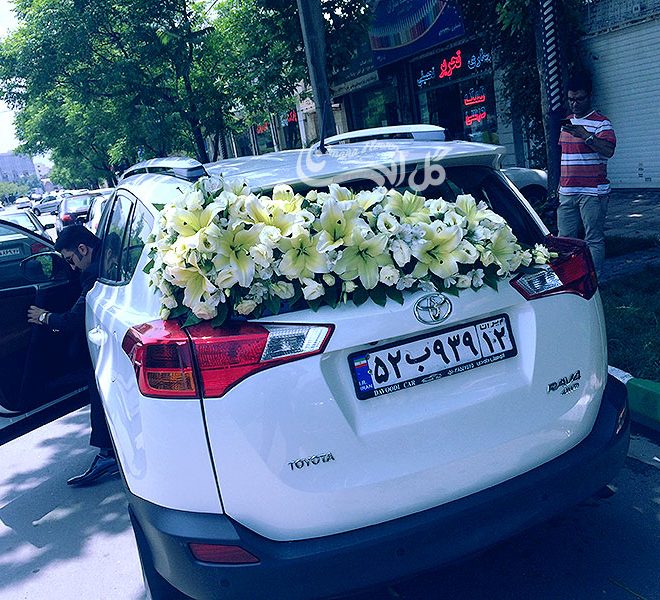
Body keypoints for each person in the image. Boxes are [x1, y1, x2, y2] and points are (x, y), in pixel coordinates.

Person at [27, 225, 119, 487]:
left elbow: (74, 319)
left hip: (111, 340)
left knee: (96, 381)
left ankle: (107, 453)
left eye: (71, 260)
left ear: (82, 249)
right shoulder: (110, 251)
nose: (73, 267)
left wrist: (44, 317)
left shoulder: (92, 274)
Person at [557, 72, 616, 278]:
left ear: (589, 96)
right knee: (564, 239)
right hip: (567, 190)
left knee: (593, 239)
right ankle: (568, 279)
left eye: (579, 99)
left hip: (592, 192)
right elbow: (564, 154)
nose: (574, 104)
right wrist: (560, 185)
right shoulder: (566, 122)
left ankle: (594, 281)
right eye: (570, 99)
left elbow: (608, 150)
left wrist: (586, 135)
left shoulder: (602, 123)